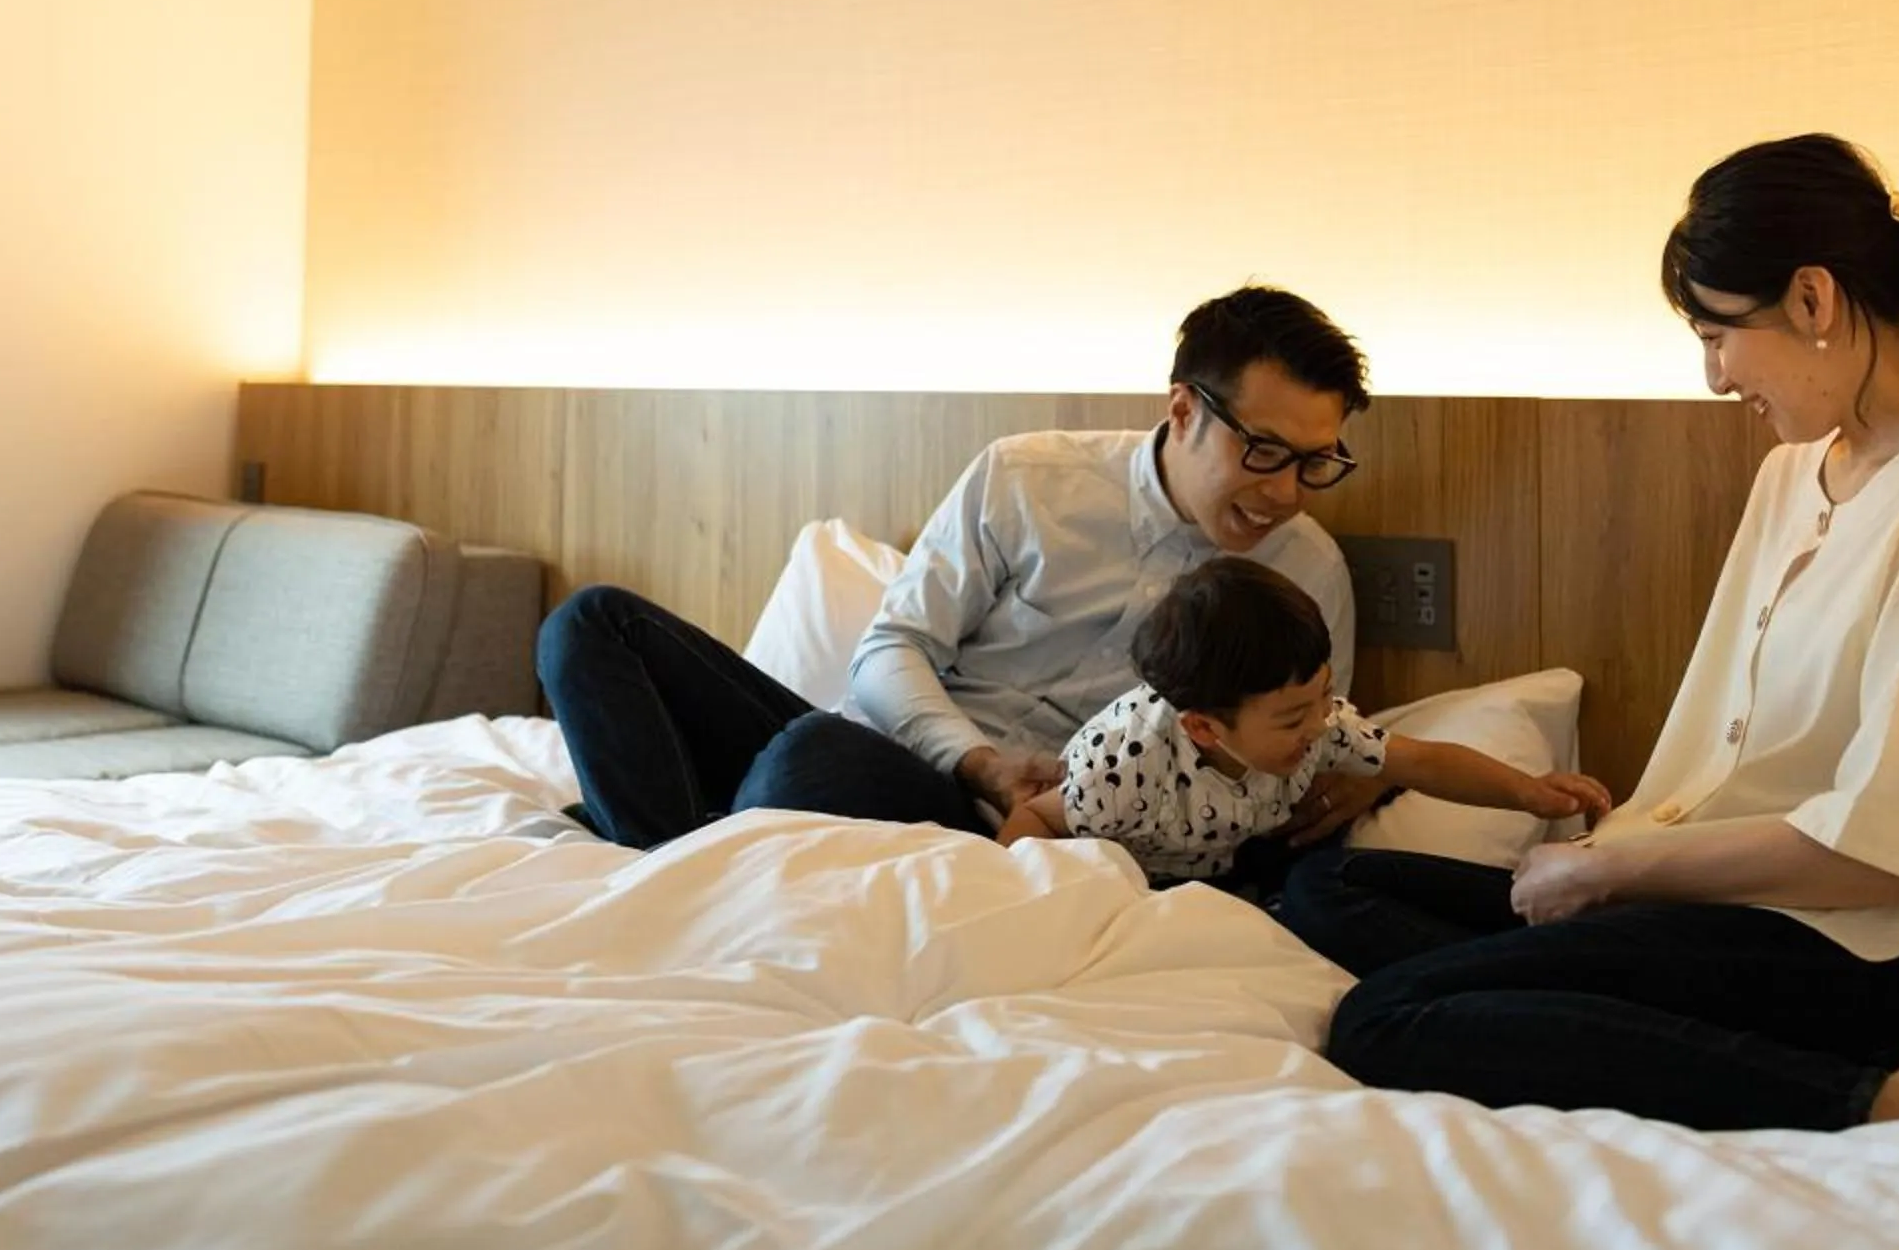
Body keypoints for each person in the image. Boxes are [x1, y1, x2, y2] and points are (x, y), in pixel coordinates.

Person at [1297, 134, 1899, 1130]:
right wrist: (1618, 874)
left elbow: (1886, 853)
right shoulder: (1793, 476)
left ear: (1813, 301)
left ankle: (1892, 1097)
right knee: (1328, 886)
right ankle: (1549, 998)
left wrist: (1608, 871)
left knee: (1385, 1020)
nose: (1717, 378)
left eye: (1716, 334)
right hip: (1748, 908)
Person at [540, 286, 1383, 849]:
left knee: (808, 761)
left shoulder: (1306, 572)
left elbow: (1298, 745)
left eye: (1316, 462)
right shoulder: (1028, 478)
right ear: (1183, 409)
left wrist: (1357, 783)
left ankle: (673, 836)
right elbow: (890, 649)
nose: (1285, 492)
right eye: (1264, 451)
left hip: (1017, 821)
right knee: (593, 624)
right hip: (919, 756)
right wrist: (973, 757)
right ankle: (674, 848)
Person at [997, 555, 1608, 904]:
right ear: (1205, 729)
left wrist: (1529, 791)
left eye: (1323, 698)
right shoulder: (1121, 771)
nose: (1319, 726)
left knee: (1326, 883)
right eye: (1294, 717)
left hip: (1242, 856)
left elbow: (1422, 761)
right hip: (1142, 876)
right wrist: (1016, 897)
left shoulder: (1322, 726)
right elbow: (1038, 820)